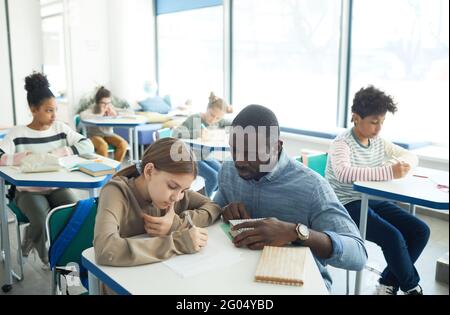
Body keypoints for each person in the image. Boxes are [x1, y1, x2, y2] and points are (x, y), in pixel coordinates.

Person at [213, 104, 367, 291]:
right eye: (234, 150)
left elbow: (358, 255)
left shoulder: (312, 187)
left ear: (276, 146)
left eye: (251, 153)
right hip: (239, 277)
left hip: (300, 284)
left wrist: (296, 232)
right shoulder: (228, 171)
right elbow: (212, 211)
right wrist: (222, 210)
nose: (240, 161)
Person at [325, 86, 430, 295]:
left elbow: (411, 157)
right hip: (345, 204)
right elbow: (344, 173)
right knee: (393, 237)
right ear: (355, 118)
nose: (379, 128)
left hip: (369, 199)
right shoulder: (342, 144)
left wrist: (404, 164)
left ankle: (387, 283)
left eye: (382, 122)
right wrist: (389, 170)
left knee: (420, 231)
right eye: (374, 122)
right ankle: (412, 288)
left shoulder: (378, 142)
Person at [0, 72, 95, 267]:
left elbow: (87, 145)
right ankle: (49, 258)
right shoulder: (18, 134)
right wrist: (21, 158)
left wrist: (63, 151)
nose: (54, 115)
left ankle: (62, 252)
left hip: (58, 187)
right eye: (49, 110)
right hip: (28, 192)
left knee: (76, 212)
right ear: (34, 109)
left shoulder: (60, 128)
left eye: (55, 110)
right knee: (41, 219)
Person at [93, 137, 221, 271]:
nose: (177, 197)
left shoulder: (174, 194)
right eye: (172, 186)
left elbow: (214, 207)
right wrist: (177, 243)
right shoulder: (116, 192)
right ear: (149, 171)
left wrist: (175, 224)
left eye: (184, 190)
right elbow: (105, 249)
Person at [174, 92, 232, 197]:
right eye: (212, 115)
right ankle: (204, 203)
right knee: (213, 177)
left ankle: (204, 197)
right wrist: (195, 133)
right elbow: (176, 133)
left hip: (202, 156)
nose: (213, 120)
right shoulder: (195, 118)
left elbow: (234, 122)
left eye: (218, 118)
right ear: (207, 109)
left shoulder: (218, 121)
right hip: (188, 156)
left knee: (223, 174)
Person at [80, 86, 128, 162]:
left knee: (123, 144)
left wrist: (116, 114)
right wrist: (100, 114)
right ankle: (104, 169)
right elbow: (82, 115)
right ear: (97, 102)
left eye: (108, 103)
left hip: (108, 134)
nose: (106, 106)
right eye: (103, 103)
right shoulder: (93, 108)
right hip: (94, 135)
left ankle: (115, 168)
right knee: (103, 146)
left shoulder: (110, 107)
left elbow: (128, 112)